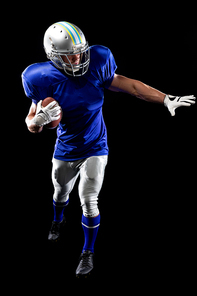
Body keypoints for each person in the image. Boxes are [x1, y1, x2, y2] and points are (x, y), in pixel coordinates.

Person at [22, 21, 195, 278]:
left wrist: (164, 98)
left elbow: (130, 86)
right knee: (60, 193)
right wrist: (37, 121)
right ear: (52, 55)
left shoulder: (98, 61)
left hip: (96, 145)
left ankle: (87, 252)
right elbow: (31, 124)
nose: (78, 58)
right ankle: (58, 220)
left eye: (80, 51)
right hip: (66, 148)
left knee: (89, 201)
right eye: (70, 54)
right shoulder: (39, 78)